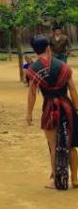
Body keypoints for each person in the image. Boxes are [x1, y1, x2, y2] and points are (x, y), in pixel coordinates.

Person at [26, 35, 78, 190]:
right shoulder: (63, 66)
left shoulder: (33, 69)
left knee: (53, 145)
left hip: (49, 108)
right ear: (48, 48)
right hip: (67, 107)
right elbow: (73, 89)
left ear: (35, 51)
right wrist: (76, 108)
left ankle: (57, 179)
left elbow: (32, 93)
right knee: (71, 144)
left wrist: (28, 113)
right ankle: (75, 179)